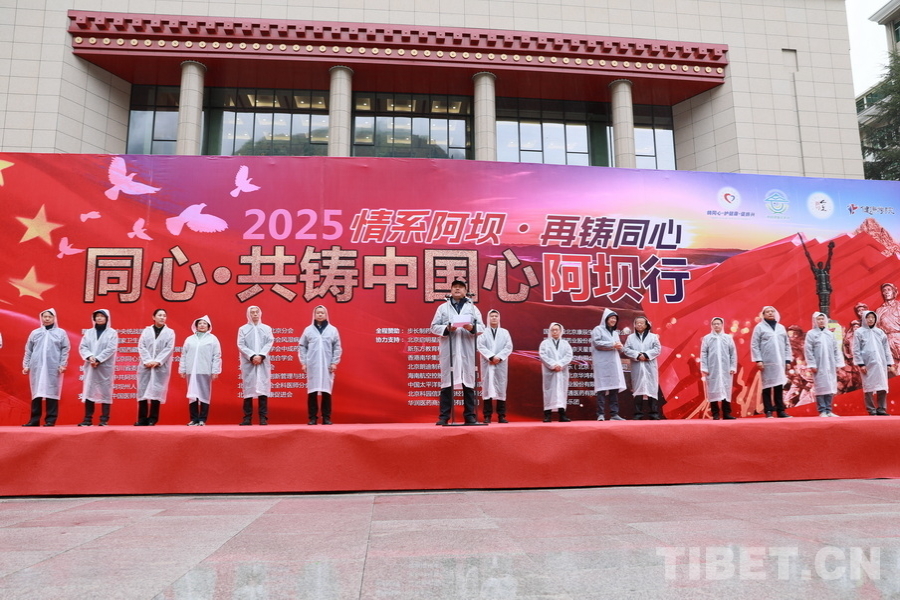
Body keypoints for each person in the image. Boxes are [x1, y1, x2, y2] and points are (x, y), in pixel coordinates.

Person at [430, 280, 483, 425]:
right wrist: (447, 329)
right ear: (451, 291)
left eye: (460, 287)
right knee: (447, 382)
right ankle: (444, 417)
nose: (457, 289)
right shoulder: (443, 308)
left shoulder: (472, 308)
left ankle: (470, 416)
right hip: (449, 349)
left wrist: (471, 327)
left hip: (466, 349)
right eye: (455, 287)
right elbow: (433, 327)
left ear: (465, 291)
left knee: (468, 383)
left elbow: (482, 327)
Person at [22, 308, 70, 427]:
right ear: (41, 318)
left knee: (51, 392)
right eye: (45, 317)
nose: (47, 319)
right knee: (36, 393)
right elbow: (28, 350)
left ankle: (50, 420)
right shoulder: (35, 333)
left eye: (50, 317)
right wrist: (26, 365)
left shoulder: (61, 333)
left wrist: (62, 364)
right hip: (37, 366)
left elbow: (65, 349)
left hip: (53, 367)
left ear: (54, 318)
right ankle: (34, 420)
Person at [298, 305, 342, 425]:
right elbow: (302, 346)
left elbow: (337, 347)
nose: (320, 315)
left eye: (322, 313)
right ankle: (312, 418)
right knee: (312, 391)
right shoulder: (308, 330)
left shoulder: (332, 330)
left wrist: (334, 362)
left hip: (327, 365)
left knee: (326, 392)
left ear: (326, 315)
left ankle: (326, 417)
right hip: (313, 364)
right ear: (314, 315)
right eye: (318, 313)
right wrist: (304, 362)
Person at [77, 309, 119, 426]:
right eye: (97, 316)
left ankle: (104, 419)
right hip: (91, 365)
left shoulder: (112, 333)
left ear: (107, 318)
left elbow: (111, 348)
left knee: (105, 392)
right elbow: (83, 347)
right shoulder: (89, 332)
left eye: (102, 316)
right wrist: (90, 357)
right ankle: (87, 419)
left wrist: (98, 359)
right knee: (89, 390)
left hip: (104, 366)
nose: (99, 318)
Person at [750, 305, 793, 418]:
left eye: (772, 311)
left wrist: (787, 360)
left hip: (780, 362)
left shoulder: (781, 328)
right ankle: (768, 410)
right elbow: (755, 345)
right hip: (767, 362)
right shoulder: (759, 327)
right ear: (763, 315)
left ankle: (780, 411)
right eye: (767, 312)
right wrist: (758, 360)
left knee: (779, 386)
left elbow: (787, 345)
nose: (770, 313)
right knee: (767, 387)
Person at [136, 308, 175, 426]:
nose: (162, 317)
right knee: (142, 391)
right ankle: (142, 419)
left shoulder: (170, 332)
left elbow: (169, 348)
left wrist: (158, 361)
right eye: (160, 315)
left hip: (160, 367)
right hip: (145, 366)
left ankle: (153, 418)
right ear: (153, 317)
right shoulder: (146, 331)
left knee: (156, 391)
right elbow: (141, 346)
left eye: (164, 315)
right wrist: (147, 360)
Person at [179, 315, 222, 426]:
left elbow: (216, 355)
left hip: (204, 370)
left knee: (204, 394)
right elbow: (184, 355)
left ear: (208, 326)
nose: (202, 325)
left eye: (204, 323)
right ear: (196, 326)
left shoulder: (212, 339)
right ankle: (194, 419)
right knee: (192, 395)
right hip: (191, 371)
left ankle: (202, 419)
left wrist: (215, 370)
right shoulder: (189, 339)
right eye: (200, 323)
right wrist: (182, 369)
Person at [853, 310, 894, 416]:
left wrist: (888, 363)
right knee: (869, 387)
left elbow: (886, 348)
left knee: (882, 386)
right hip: (867, 365)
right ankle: (871, 409)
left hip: (880, 364)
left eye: (872, 317)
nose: (870, 319)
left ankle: (881, 408)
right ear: (864, 319)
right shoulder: (859, 332)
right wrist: (861, 364)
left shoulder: (880, 332)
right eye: (868, 317)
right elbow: (856, 350)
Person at [237, 305, 274, 425]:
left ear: (260, 313)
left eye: (256, 312)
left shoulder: (266, 328)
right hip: (249, 362)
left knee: (263, 389)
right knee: (248, 389)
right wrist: (252, 356)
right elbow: (241, 344)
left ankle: (263, 418)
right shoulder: (243, 329)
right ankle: (247, 418)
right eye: (252, 312)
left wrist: (261, 355)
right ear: (248, 314)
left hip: (263, 361)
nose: (255, 314)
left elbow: (269, 342)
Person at [477, 309, 513, 423]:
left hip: (500, 364)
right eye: (491, 316)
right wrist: (491, 357)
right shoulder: (483, 332)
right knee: (487, 388)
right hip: (488, 363)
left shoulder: (505, 332)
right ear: (488, 318)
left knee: (501, 388)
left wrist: (499, 357)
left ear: (499, 318)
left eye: (496, 316)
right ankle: (487, 416)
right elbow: (480, 346)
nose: (494, 318)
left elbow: (508, 347)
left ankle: (501, 415)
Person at [804, 312, 842, 417]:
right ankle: (822, 410)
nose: (821, 321)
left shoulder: (830, 334)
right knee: (820, 387)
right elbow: (808, 350)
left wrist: (838, 363)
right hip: (819, 365)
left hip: (830, 364)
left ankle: (829, 410)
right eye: (819, 319)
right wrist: (812, 364)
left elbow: (836, 349)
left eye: (822, 319)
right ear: (815, 321)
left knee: (830, 386)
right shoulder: (811, 334)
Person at [623, 316, 662, 419]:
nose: (639, 325)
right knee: (638, 389)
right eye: (637, 323)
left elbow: (657, 349)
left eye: (641, 323)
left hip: (650, 366)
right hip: (637, 367)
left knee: (652, 389)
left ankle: (654, 413)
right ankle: (638, 414)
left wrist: (646, 355)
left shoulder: (653, 337)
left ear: (646, 325)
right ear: (634, 325)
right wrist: (637, 355)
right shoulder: (630, 338)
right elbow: (626, 349)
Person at [590, 308, 626, 421]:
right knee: (601, 389)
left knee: (614, 389)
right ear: (606, 319)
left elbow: (618, 347)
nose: (613, 320)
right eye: (611, 318)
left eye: (615, 318)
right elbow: (597, 343)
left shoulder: (615, 333)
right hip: (602, 364)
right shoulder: (598, 329)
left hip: (613, 364)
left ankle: (614, 414)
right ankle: (600, 414)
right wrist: (613, 344)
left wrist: (621, 347)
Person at [700, 316, 737, 420]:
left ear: (722, 325)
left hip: (726, 369)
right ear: (711, 325)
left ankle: (726, 413)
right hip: (712, 369)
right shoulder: (707, 338)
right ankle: (715, 413)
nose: (716, 325)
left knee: (726, 390)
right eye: (714, 324)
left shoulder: (728, 338)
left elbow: (733, 353)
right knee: (713, 391)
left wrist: (732, 366)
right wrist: (704, 367)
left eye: (718, 324)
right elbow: (703, 353)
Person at [539, 322, 573, 422]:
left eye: (556, 330)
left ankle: (562, 415)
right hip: (550, 371)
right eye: (552, 330)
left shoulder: (565, 343)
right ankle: (547, 415)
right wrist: (553, 365)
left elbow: (569, 355)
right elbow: (543, 355)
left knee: (561, 392)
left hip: (562, 371)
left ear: (560, 331)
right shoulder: (545, 343)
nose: (554, 332)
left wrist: (560, 364)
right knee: (549, 392)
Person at [876, 283, 900, 362]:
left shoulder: (899, 306)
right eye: (884, 290)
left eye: (889, 290)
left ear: (894, 292)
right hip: (887, 340)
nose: (886, 292)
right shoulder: (879, 310)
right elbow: (876, 328)